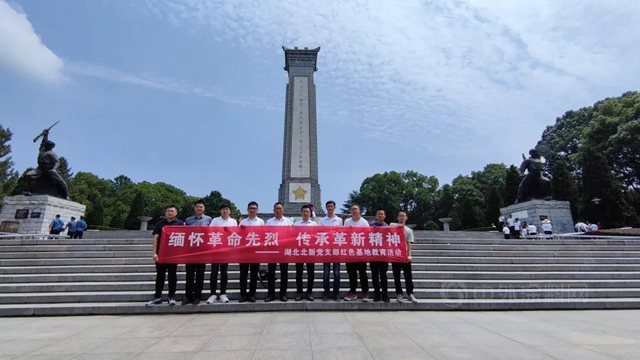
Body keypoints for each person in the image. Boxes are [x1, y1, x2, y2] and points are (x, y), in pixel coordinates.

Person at [147, 205, 183, 306]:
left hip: (173, 255)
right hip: (161, 254)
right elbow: (155, 238)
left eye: (172, 211)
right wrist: (154, 253)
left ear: (176, 213)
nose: (170, 213)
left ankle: (171, 297)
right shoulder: (160, 224)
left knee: (172, 276)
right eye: (168, 211)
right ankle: (157, 297)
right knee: (160, 276)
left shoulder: (180, 224)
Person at [182, 199, 212, 305]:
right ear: (194, 208)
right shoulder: (188, 220)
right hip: (190, 251)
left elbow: (213, 233)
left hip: (202, 251)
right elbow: (184, 234)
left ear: (204, 208)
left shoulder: (209, 220)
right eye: (197, 207)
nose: (199, 208)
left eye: (201, 207)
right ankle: (188, 296)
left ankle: (197, 296)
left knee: (200, 275)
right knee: (189, 275)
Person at [207, 203, 237, 304]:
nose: (225, 211)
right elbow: (210, 231)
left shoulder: (233, 222)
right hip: (216, 249)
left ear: (230, 211)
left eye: (227, 209)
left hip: (226, 250)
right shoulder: (215, 220)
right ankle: (213, 294)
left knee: (224, 272)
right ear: (220, 211)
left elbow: (235, 234)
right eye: (223, 209)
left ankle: (223, 293)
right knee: (214, 272)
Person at [265, 202, 293, 302]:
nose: (278, 210)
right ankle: (271, 294)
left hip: (284, 250)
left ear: (283, 210)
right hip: (272, 250)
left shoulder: (288, 222)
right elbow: (266, 235)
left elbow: (291, 235)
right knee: (271, 273)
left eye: (280, 208)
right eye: (276, 208)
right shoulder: (269, 222)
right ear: (273, 210)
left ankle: (283, 294)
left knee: (284, 273)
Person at [238, 201, 264, 303]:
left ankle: (252, 294)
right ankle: (243, 294)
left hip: (256, 251)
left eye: (254, 208)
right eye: (250, 208)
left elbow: (263, 236)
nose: (252, 210)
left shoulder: (261, 222)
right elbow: (238, 236)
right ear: (247, 210)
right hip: (244, 251)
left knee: (254, 274)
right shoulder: (242, 222)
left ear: (257, 210)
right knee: (243, 274)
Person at [343, 204, 370, 302]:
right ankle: (353, 291)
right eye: (352, 209)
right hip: (350, 252)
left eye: (356, 209)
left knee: (362, 273)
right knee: (351, 273)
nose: (354, 211)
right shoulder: (347, 221)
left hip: (361, 252)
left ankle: (365, 293)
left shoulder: (364, 222)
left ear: (359, 211)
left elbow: (367, 237)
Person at [318, 200, 343, 301]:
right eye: (328, 206)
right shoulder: (322, 221)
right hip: (326, 249)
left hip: (336, 249)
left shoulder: (339, 220)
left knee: (336, 273)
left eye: (331, 206)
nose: (330, 208)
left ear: (334, 207)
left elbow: (342, 233)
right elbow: (319, 234)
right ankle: (326, 293)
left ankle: (336, 293)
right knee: (326, 274)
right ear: (326, 208)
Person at [390, 211, 417, 303]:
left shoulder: (409, 230)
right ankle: (399, 294)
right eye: (400, 216)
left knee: (408, 276)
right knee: (396, 276)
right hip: (396, 255)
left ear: (406, 218)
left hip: (405, 255)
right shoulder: (393, 225)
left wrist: (409, 255)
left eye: (403, 216)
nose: (402, 217)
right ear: (398, 218)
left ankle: (410, 293)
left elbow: (409, 243)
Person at [294, 204, 317, 301]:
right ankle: (299, 293)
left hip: (310, 252)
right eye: (304, 211)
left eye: (307, 211)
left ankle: (309, 293)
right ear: (301, 213)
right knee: (299, 273)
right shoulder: (296, 224)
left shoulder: (314, 225)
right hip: (299, 252)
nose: (305, 213)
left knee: (310, 273)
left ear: (310, 213)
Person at [369, 208, 390, 303]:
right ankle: (377, 294)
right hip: (373, 254)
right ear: (376, 215)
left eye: (382, 214)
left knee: (383, 275)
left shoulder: (387, 227)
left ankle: (385, 294)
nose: (380, 216)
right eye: (379, 214)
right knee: (374, 275)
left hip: (383, 254)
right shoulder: (371, 226)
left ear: (385, 216)